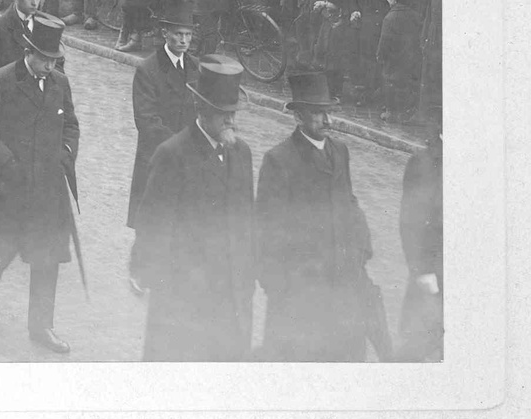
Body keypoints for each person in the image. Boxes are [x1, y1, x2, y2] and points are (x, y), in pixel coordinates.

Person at [0, 13, 80, 354]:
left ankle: (41, 326)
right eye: (44, 59)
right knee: (5, 247)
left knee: (47, 257)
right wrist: (8, 163)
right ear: (28, 51)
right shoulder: (1, 80)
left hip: (48, 188)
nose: (49, 66)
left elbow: (71, 125)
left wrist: (65, 154)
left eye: (54, 60)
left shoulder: (60, 83)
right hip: (10, 185)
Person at [132, 56, 256, 361]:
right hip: (184, 296)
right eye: (222, 114)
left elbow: (246, 221)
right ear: (201, 110)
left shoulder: (241, 153)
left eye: (233, 113)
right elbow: (152, 227)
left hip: (230, 295)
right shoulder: (173, 154)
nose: (231, 121)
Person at [256, 71, 376, 362]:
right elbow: (266, 229)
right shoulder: (279, 160)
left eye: (329, 113)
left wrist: (360, 252)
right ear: (298, 117)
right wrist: (278, 287)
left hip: (341, 285)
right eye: (318, 114)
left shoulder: (340, 152)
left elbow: (350, 203)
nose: (328, 121)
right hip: (301, 292)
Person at [124, 0, 199, 292]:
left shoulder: (195, 68)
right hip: (156, 154)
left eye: (188, 35)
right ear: (165, 33)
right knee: (150, 216)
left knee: (180, 213)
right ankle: (139, 270)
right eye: (178, 34)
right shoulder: (148, 69)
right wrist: (179, 146)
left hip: (187, 155)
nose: (183, 40)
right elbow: (146, 119)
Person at [397, 112, 443, 361]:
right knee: (417, 347)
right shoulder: (424, 162)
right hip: (431, 275)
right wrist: (422, 271)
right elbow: (411, 223)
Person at [348, 0, 402, 105]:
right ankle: (366, 92)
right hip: (367, 14)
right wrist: (354, 9)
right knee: (367, 54)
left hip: (387, 14)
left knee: (385, 54)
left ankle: (382, 93)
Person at [377, 0, 421, 124]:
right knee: (407, 84)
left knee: (391, 83)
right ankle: (405, 112)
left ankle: (391, 113)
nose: (388, 0)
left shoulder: (390, 18)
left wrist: (380, 55)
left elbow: (384, 40)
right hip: (410, 57)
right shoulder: (415, 16)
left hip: (393, 58)